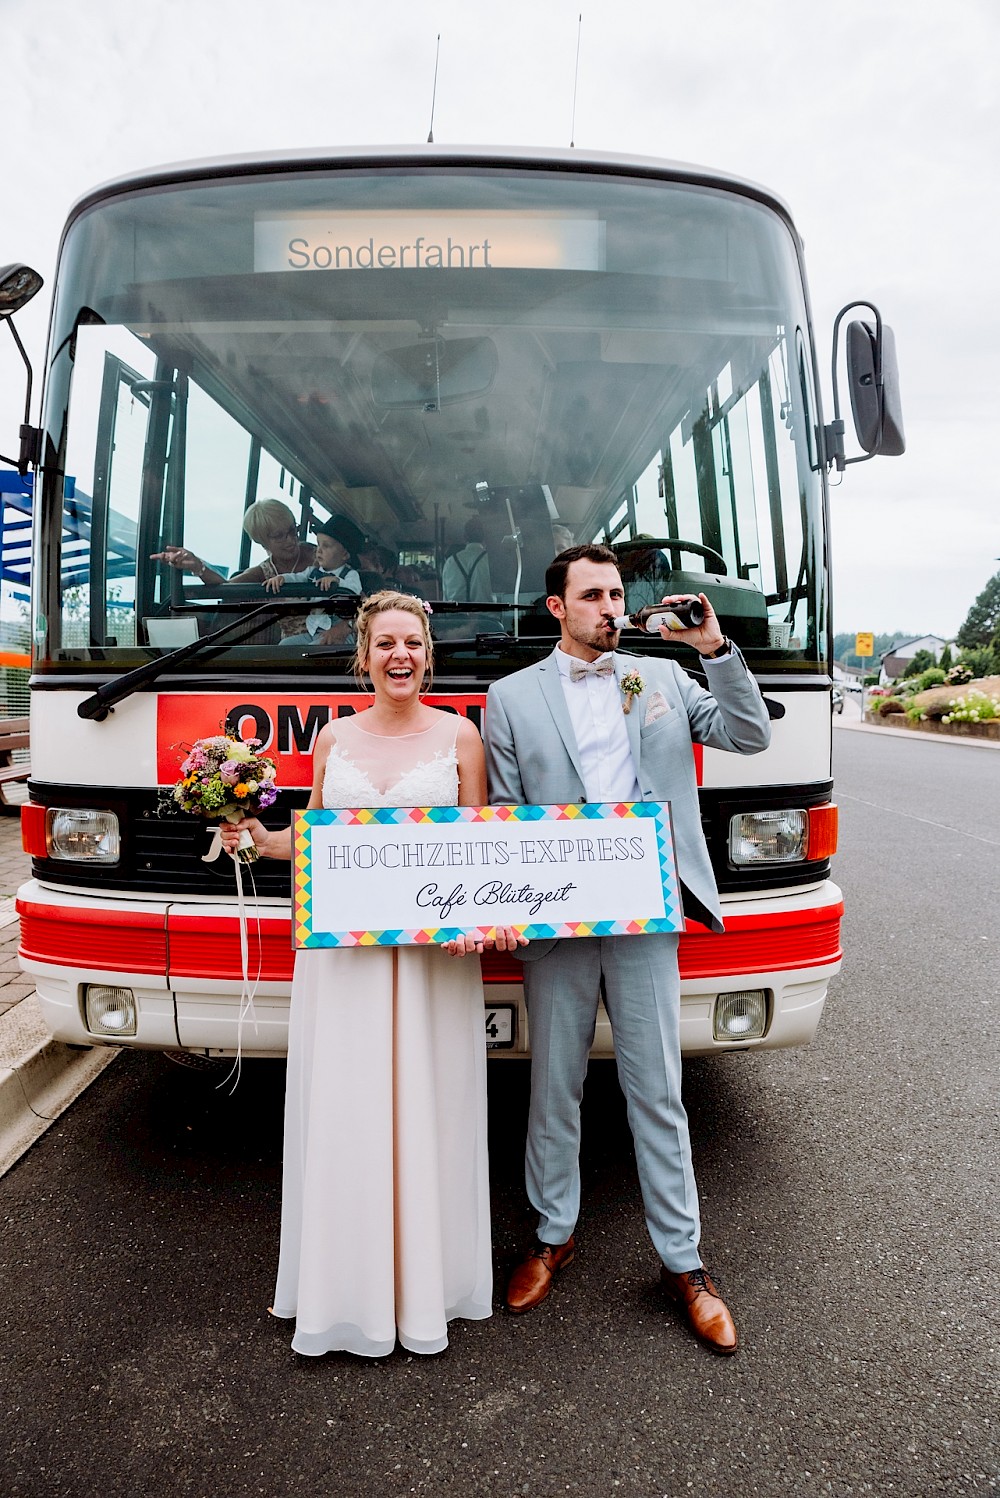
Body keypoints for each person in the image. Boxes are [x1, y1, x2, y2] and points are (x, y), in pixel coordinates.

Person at [483, 544, 771, 1355]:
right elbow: (507, 816)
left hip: (649, 915)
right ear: (557, 608)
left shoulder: (666, 679)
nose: (612, 607)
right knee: (553, 1087)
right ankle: (552, 1234)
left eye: (617, 593)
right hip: (560, 925)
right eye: (594, 595)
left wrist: (713, 648)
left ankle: (685, 1263)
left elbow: (749, 734)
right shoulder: (509, 698)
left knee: (659, 1090)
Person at [221, 591, 524, 1358]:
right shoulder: (331, 738)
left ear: (429, 655)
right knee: (348, 1106)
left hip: (429, 966)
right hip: (345, 962)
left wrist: (483, 920)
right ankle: (346, 1290)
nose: (400, 656)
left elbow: (479, 848)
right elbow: (312, 837)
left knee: (429, 1104)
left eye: (413, 644)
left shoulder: (462, 739)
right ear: (364, 657)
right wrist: (253, 834)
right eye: (385, 643)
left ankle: (428, 1287)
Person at [152, 497, 315, 587]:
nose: (291, 539)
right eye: (279, 536)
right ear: (261, 541)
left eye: (293, 530)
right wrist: (197, 567)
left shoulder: (318, 555)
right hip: (291, 648)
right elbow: (225, 588)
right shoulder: (263, 573)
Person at [263, 517, 362, 646]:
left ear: (345, 554)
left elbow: (354, 590)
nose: (319, 550)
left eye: (326, 546)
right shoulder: (312, 572)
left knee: (311, 651)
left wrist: (337, 582)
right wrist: (282, 578)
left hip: (341, 635)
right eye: (318, 544)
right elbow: (297, 578)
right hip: (315, 631)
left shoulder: (350, 575)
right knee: (285, 645)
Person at [441, 518, 493, 602]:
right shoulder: (490, 560)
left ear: (465, 537)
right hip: (485, 613)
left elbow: (446, 596)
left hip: (455, 614)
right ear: (485, 537)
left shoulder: (451, 561)